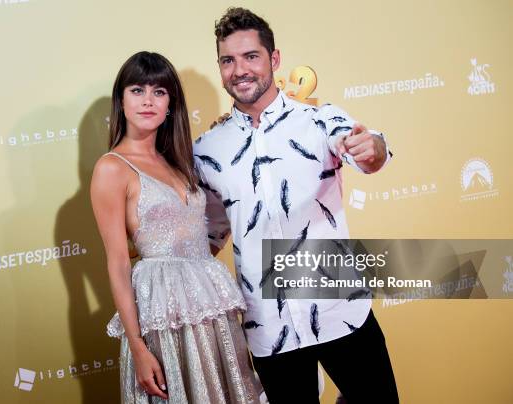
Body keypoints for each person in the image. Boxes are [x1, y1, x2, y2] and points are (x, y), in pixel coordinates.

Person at [193, 8, 399, 404]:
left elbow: (366, 151)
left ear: (274, 59)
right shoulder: (206, 151)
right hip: (269, 326)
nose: (239, 70)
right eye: (227, 60)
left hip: (342, 311)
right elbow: (210, 232)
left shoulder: (320, 121)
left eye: (251, 56)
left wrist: (373, 147)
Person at [90, 51, 262, 403]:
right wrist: (137, 346)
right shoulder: (112, 168)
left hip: (210, 307)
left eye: (159, 91)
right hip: (162, 317)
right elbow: (119, 263)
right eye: (137, 90)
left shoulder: (180, 161)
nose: (148, 101)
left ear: (171, 103)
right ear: (121, 101)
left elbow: (205, 232)